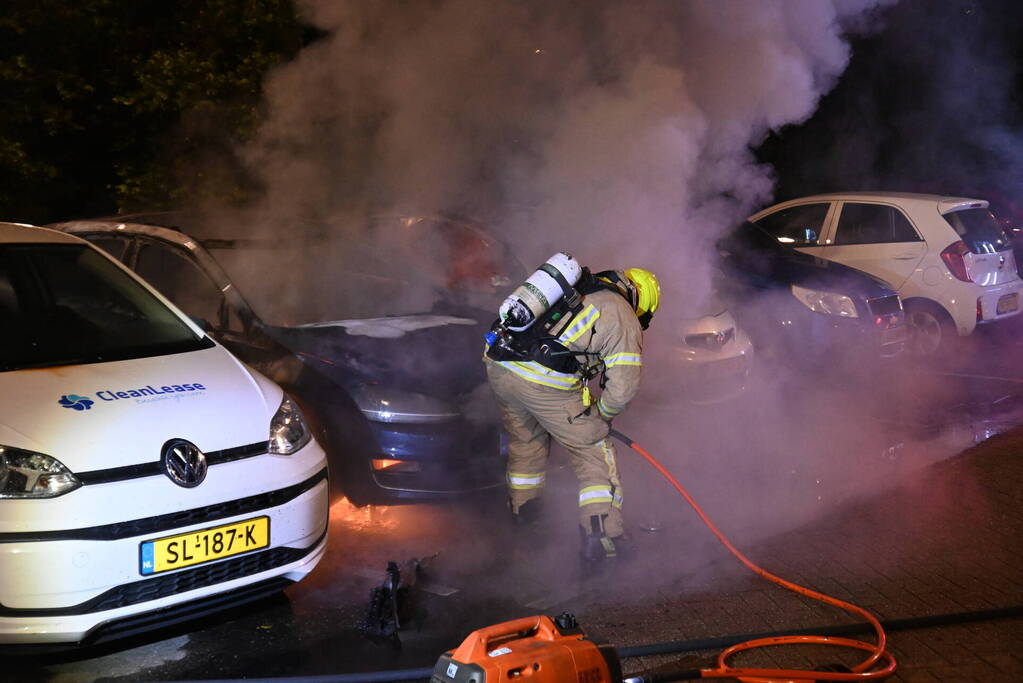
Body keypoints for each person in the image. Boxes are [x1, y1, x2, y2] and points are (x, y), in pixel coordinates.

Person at [484, 264, 660, 565]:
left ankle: (524, 520)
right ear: (640, 304)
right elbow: (623, 388)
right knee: (594, 451)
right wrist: (601, 418)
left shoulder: (578, 289)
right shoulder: (622, 314)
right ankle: (603, 538)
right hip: (542, 381)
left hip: (500, 364)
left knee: (526, 444)